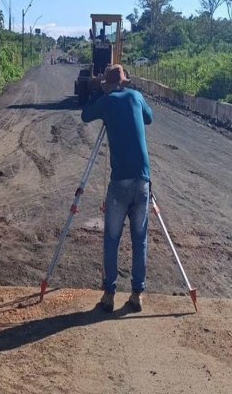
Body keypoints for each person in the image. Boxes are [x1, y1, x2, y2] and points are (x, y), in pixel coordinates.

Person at [81, 64, 153, 313]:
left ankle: (109, 295)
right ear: (125, 82)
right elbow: (149, 118)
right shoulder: (136, 96)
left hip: (120, 181)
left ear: (108, 84)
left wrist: (100, 92)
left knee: (112, 239)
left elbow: (85, 115)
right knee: (139, 239)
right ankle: (136, 294)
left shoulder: (108, 100)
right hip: (143, 180)